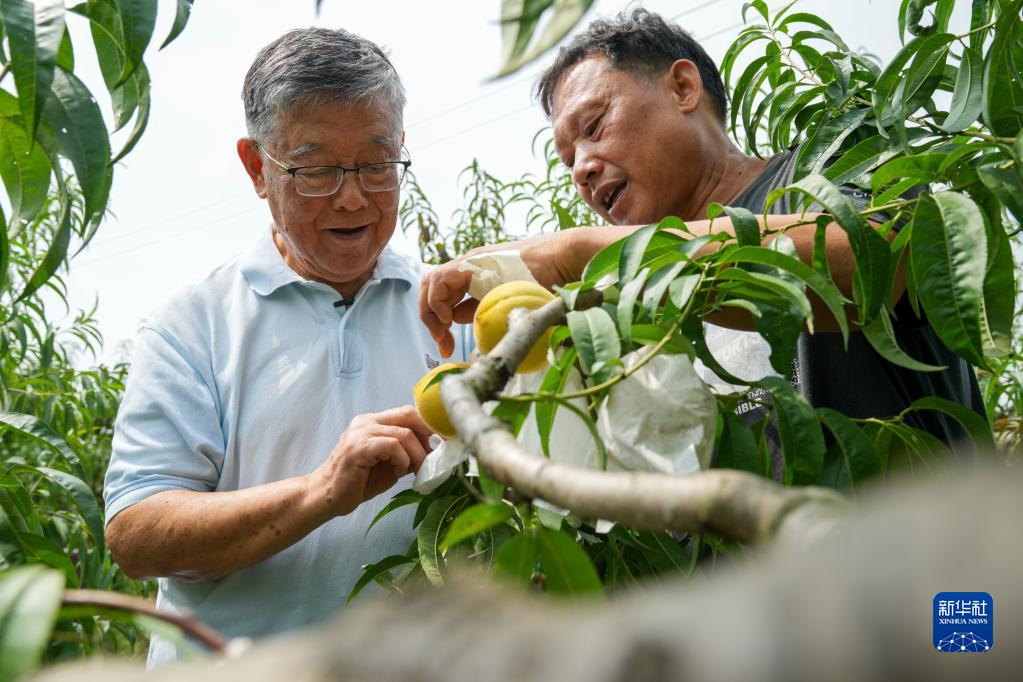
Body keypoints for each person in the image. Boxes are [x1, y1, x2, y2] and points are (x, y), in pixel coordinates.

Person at [419, 9, 983, 457]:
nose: (582, 169)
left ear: (683, 87)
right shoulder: (619, 305)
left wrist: (582, 250)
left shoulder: (828, 163)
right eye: (568, 160)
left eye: (594, 126)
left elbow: (877, 261)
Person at [103, 28, 470, 665]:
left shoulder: (451, 313)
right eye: (317, 169)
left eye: (377, 164)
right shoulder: (193, 325)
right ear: (257, 168)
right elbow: (136, 533)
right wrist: (319, 491)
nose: (352, 196)